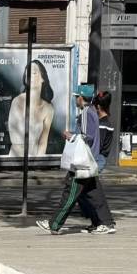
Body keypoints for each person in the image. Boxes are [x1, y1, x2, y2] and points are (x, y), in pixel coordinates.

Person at [36, 84, 114, 235]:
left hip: (82, 163)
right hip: (89, 161)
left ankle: (54, 224)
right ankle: (106, 223)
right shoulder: (92, 112)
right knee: (94, 193)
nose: (75, 100)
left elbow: (87, 137)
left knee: (69, 193)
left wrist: (70, 136)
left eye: (76, 97)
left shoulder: (85, 113)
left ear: (80, 98)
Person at [74, 91, 117, 234]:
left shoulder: (103, 125)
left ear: (98, 107)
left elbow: (95, 146)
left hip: (97, 159)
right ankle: (97, 221)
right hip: (97, 158)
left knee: (90, 191)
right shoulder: (104, 122)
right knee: (85, 192)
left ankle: (104, 222)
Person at [8, 60, 56, 158]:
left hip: (34, 161)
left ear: (43, 78)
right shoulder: (17, 101)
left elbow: (43, 141)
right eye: (27, 73)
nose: (30, 76)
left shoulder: (48, 108)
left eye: (34, 73)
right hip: (15, 159)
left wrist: (38, 160)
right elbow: (15, 138)